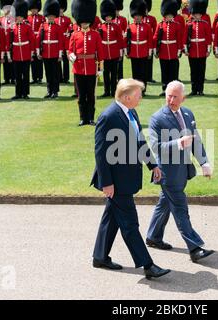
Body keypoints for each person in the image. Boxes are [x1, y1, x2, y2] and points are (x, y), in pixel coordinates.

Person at [91, 78, 171, 280]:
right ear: (126, 97)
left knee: (111, 218)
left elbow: (139, 141)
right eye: (138, 95)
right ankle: (148, 265)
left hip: (126, 178)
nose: (141, 97)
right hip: (116, 182)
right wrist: (107, 183)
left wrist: (152, 165)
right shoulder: (108, 117)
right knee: (130, 224)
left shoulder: (131, 112)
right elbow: (101, 153)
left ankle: (100, 257)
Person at [146, 80, 214, 263]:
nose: (171, 99)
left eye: (175, 96)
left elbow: (195, 140)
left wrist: (204, 162)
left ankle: (153, 236)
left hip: (182, 170)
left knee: (165, 203)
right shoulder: (157, 118)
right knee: (180, 208)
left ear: (183, 97)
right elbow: (155, 146)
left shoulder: (187, 113)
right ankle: (195, 247)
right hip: (167, 173)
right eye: (169, 95)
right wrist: (178, 143)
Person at [69, 0, 103, 126]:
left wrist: (100, 68)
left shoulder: (95, 35)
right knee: (81, 96)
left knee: (91, 96)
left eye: (86, 21)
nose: (84, 23)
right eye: (82, 21)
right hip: (78, 68)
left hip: (91, 68)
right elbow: (70, 50)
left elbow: (100, 53)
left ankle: (91, 118)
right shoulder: (74, 35)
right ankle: (83, 118)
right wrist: (71, 56)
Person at [154, 0, 183, 97]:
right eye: (167, 16)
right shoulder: (160, 25)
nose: (169, 17)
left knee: (173, 72)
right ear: (164, 16)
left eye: (171, 16)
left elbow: (179, 38)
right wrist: (155, 50)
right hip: (163, 51)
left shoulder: (177, 25)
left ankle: (174, 90)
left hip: (173, 51)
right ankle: (165, 89)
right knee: (164, 71)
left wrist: (179, 50)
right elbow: (156, 37)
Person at [184, 0, 212, 96]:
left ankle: (200, 90)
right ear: (193, 14)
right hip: (192, 51)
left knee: (201, 71)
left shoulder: (205, 24)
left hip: (202, 50)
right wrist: (186, 50)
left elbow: (208, 39)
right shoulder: (189, 25)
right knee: (193, 71)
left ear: (201, 15)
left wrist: (208, 50)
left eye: (199, 14)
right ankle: (194, 89)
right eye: (195, 14)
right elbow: (185, 39)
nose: (197, 16)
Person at [37, 0, 64, 99]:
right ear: (47, 15)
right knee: (48, 73)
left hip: (54, 53)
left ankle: (55, 91)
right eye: (49, 16)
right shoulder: (42, 26)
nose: (51, 17)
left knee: (55, 74)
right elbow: (38, 40)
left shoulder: (58, 27)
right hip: (45, 53)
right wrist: (38, 52)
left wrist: (60, 55)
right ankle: (49, 91)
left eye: (52, 16)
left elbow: (60, 42)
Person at [126, 0, 153, 95]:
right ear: (134, 16)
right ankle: (136, 90)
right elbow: (127, 41)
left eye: (139, 16)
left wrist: (149, 53)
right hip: (133, 52)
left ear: (142, 16)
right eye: (136, 16)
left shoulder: (147, 26)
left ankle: (143, 89)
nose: (137, 17)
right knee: (135, 72)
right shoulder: (130, 26)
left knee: (143, 72)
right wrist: (127, 52)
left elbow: (150, 40)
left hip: (143, 52)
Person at [10, 0, 36, 100]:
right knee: (17, 75)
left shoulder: (27, 27)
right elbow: (10, 41)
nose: (19, 18)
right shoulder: (12, 27)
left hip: (25, 54)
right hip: (16, 54)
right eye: (17, 17)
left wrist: (32, 53)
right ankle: (18, 93)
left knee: (25, 75)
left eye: (20, 17)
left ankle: (25, 93)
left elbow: (32, 40)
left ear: (23, 16)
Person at [98, 0, 124, 98]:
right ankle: (106, 91)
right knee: (105, 74)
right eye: (107, 16)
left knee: (114, 74)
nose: (108, 18)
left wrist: (120, 53)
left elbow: (120, 40)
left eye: (109, 16)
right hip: (105, 54)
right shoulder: (101, 27)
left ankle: (114, 91)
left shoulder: (116, 27)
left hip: (114, 54)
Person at [55, 0, 73, 84]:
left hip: (65, 42)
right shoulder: (55, 19)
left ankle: (66, 78)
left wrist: (68, 32)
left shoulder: (67, 19)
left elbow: (70, 27)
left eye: (62, 8)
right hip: (57, 42)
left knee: (65, 61)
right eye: (59, 9)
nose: (60, 10)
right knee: (58, 61)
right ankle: (58, 77)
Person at [27, 0, 44, 84]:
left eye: (35, 9)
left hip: (39, 40)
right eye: (32, 9)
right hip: (31, 41)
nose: (34, 10)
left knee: (39, 58)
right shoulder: (28, 18)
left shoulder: (41, 18)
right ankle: (34, 77)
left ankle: (40, 77)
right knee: (32, 59)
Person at [0, 0, 15, 85]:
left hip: (11, 43)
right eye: (5, 9)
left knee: (11, 61)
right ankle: (7, 79)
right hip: (3, 44)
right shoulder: (0, 19)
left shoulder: (13, 19)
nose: (6, 11)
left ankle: (13, 78)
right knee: (4, 61)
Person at [112, 0, 128, 81]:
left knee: (120, 63)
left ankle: (120, 79)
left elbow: (125, 32)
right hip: (112, 45)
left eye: (117, 10)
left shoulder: (123, 19)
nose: (116, 12)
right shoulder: (110, 20)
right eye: (115, 10)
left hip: (120, 45)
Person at [144, 0, 158, 84]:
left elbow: (155, 31)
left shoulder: (152, 19)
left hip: (150, 43)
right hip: (141, 43)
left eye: (146, 9)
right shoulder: (139, 18)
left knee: (149, 61)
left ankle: (149, 77)